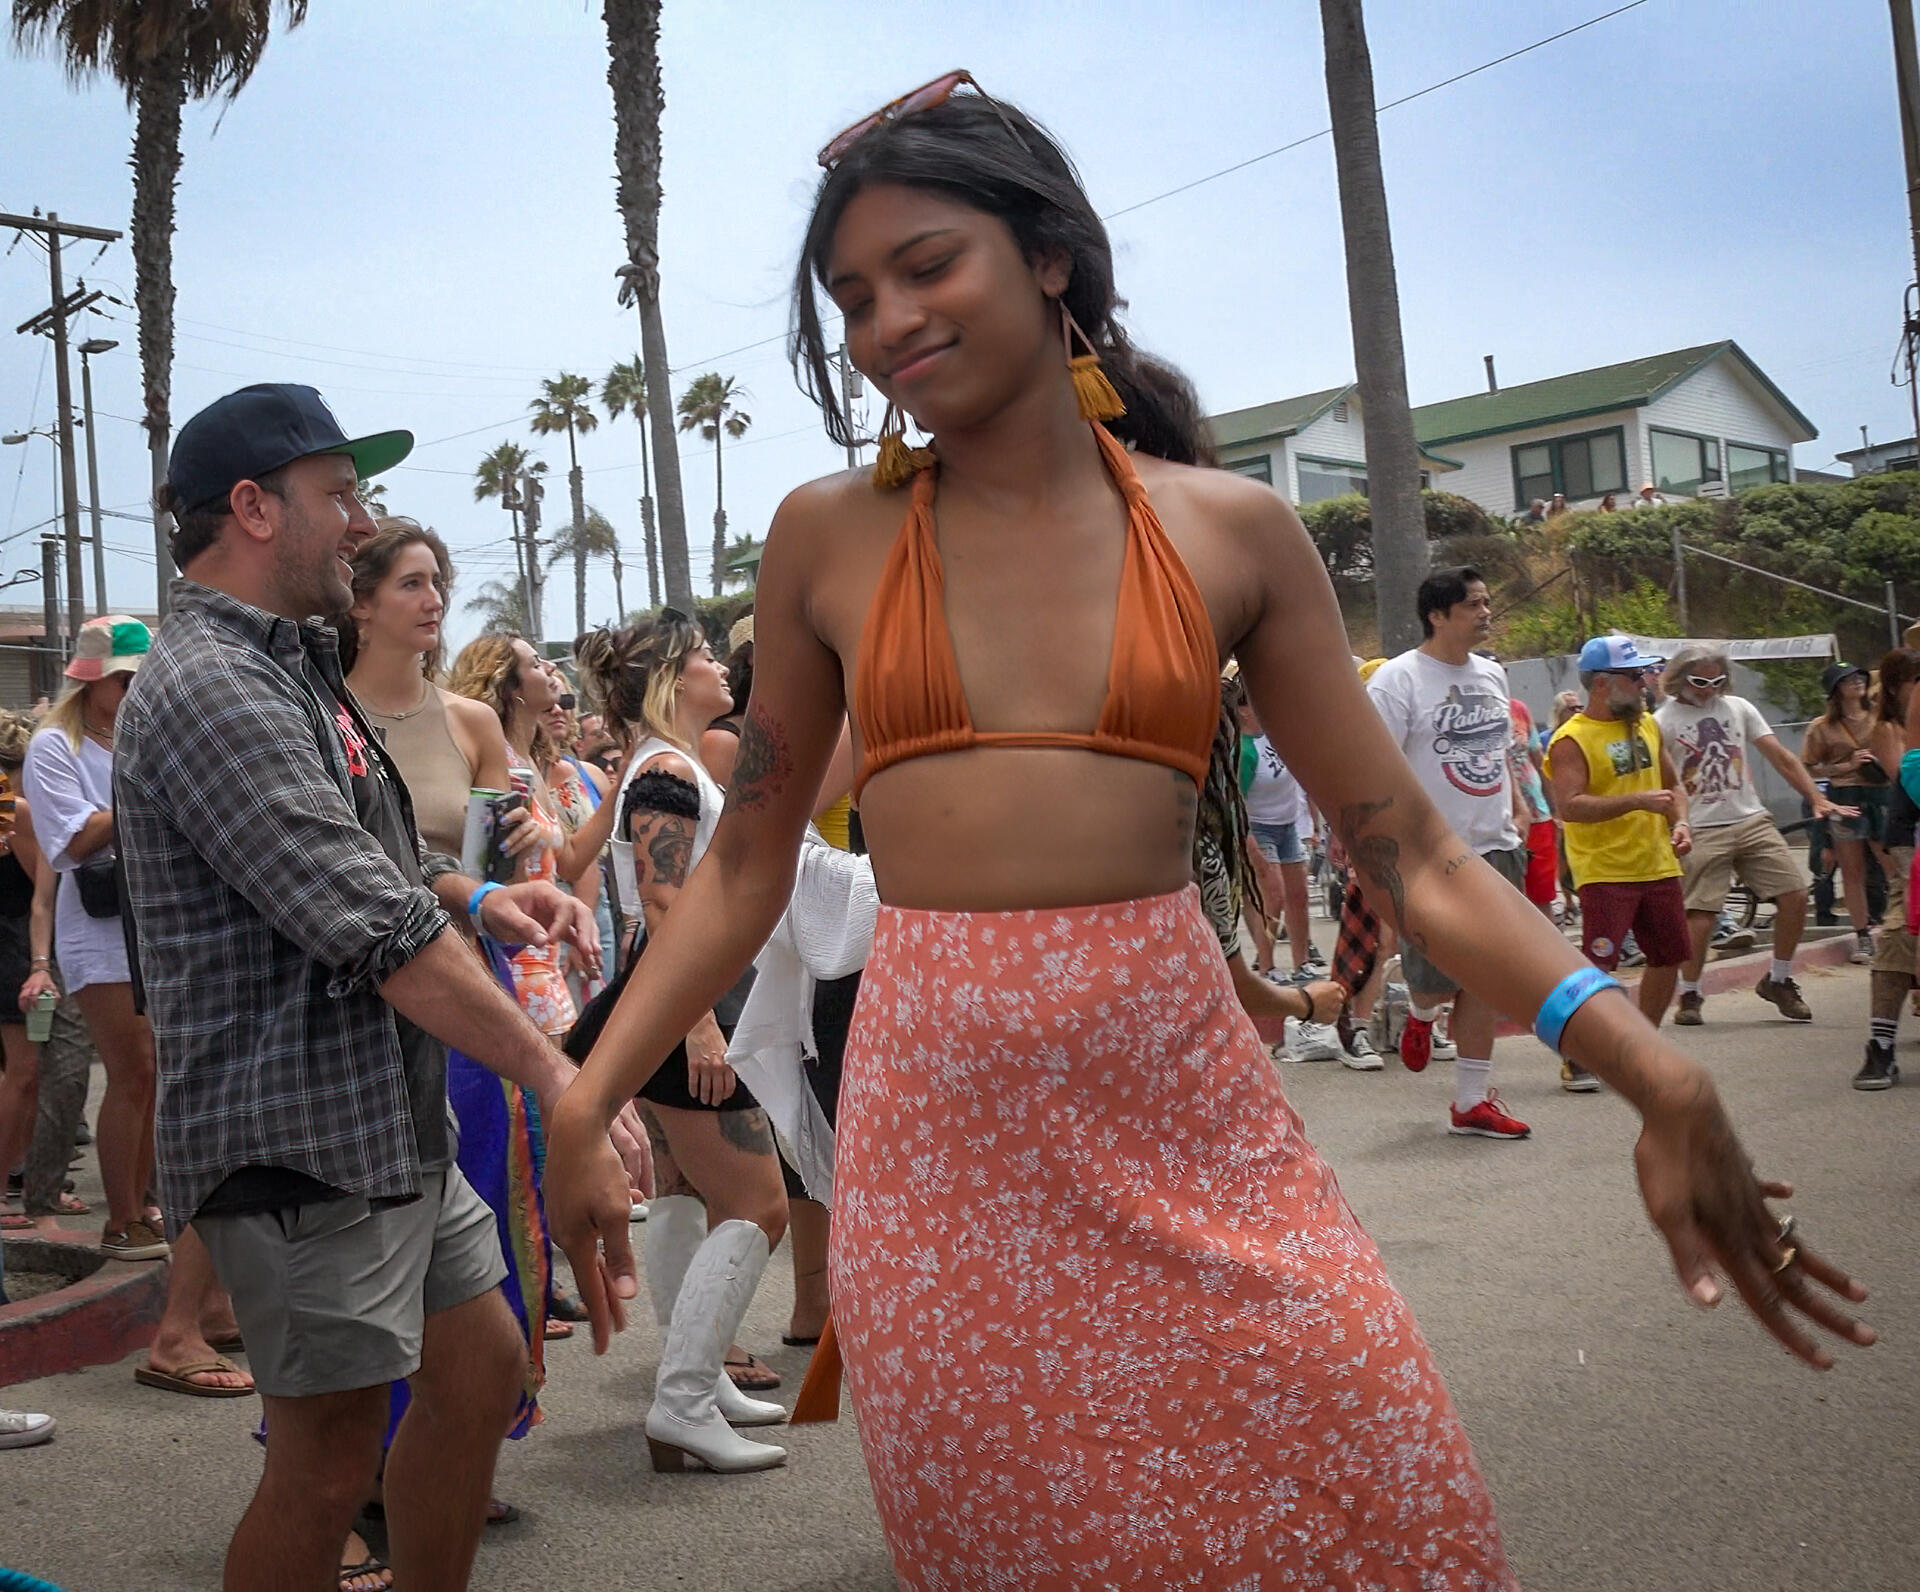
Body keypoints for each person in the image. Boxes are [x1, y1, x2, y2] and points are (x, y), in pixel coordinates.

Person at [543, 84, 1871, 1588]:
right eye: (853, 298)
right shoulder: (826, 537)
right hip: (939, 1165)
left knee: (1392, 1511)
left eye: (926, 266)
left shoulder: (1228, 531)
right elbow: (740, 871)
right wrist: (586, 1105)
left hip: (1191, 1126)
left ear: (1050, 258)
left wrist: (1653, 1066)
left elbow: (1418, 859)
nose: (886, 321)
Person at [118, 382, 643, 1592]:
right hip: (299, 1139)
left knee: (478, 1369)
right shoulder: (210, 683)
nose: (362, 521)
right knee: (326, 1452)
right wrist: (568, 1082)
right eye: (338, 493)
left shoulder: (296, 666)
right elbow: (371, 925)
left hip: (378, 1122)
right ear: (252, 507)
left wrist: (478, 897)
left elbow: (380, 868)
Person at [573, 616, 791, 1473]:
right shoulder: (667, 768)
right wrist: (698, 1021)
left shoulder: (666, 761)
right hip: (684, 1007)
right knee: (761, 1204)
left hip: (663, 1002)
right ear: (673, 677)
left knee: (683, 1194)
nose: (717, 666)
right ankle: (686, 1398)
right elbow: (662, 905)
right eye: (702, 655)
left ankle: (690, 1378)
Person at [23, 617, 255, 1402]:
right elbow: (73, 840)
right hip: (99, 934)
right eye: (124, 680)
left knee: (162, 1078)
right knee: (134, 1070)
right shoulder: (56, 748)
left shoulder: (131, 743)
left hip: (156, 927)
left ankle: (150, 1208)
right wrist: (156, 793)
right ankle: (123, 1216)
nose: (134, 691)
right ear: (92, 681)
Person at [1365, 569, 1532, 1138]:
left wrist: (1519, 810)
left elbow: (1499, 754)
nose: (1486, 613)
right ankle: (1420, 1011)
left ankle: (1470, 1101)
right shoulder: (1397, 680)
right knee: (1438, 982)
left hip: (1496, 845)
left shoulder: (1492, 673)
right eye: (1474, 606)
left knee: (1486, 975)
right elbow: (1372, 768)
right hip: (1429, 854)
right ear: (1438, 615)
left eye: (1488, 603)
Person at [1654, 644, 1850, 1025]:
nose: (1709, 689)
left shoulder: (1739, 708)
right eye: (1699, 681)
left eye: (1717, 680)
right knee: (1701, 914)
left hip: (1749, 817)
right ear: (1679, 679)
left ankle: (1778, 979)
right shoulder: (1662, 720)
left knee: (1793, 894)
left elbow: (1780, 756)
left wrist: (1815, 797)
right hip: (1700, 825)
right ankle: (1690, 994)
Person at [1546, 635, 1693, 1083]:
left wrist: (1681, 822)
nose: (1646, 682)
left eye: (1644, 673)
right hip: (1605, 871)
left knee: (1668, 958)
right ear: (1604, 684)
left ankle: (1641, 1045)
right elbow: (1569, 805)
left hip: (1658, 863)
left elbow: (1674, 786)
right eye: (1635, 675)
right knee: (1598, 968)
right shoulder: (1571, 739)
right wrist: (1635, 801)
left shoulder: (1647, 723)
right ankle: (1581, 1052)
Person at [1856, 648, 1920, 1089]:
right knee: (1898, 933)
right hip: (1909, 837)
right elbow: (1909, 773)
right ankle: (1881, 1047)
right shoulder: (1892, 728)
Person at [1802, 662, 1889, 965]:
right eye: (1848, 680)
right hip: (1844, 798)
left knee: (1895, 865)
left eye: (1859, 677)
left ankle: (1900, 929)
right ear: (1835, 689)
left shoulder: (1880, 715)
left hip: (1882, 795)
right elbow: (1809, 769)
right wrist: (1846, 766)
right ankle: (1862, 934)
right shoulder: (1821, 727)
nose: (1856, 683)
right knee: (1853, 872)